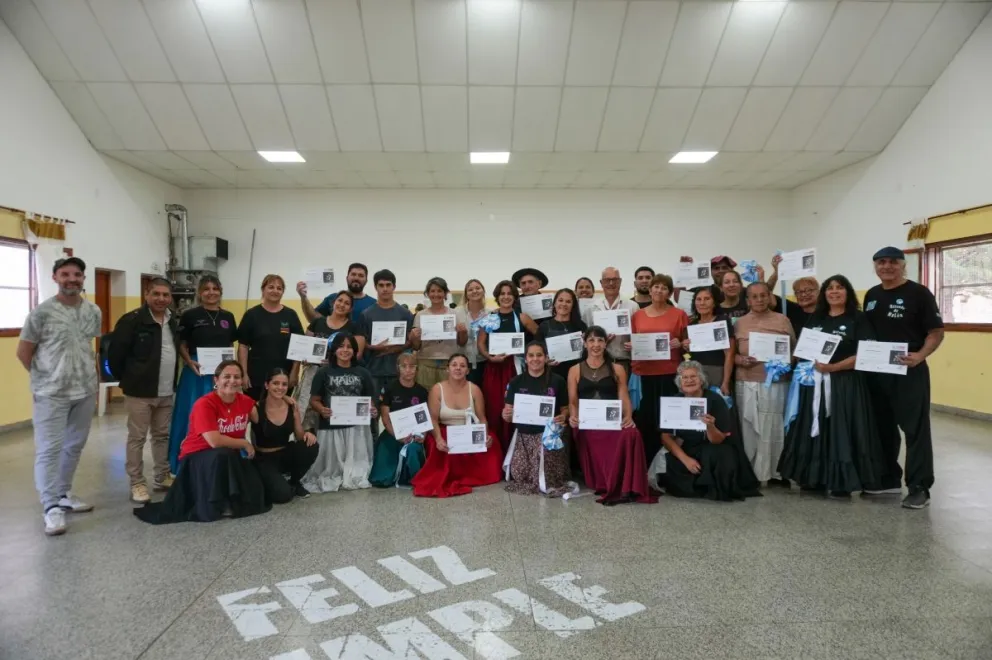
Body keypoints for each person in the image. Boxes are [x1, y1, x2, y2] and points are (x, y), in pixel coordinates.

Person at [16, 257, 102, 536]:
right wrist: (47, 378)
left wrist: (94, 382)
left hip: (84, 390)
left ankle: (63, 494)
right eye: (65, 274)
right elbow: (24, 352)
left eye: (77, 274)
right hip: (51, 394)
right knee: (49, 449)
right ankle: (50, 506)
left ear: (82, 279)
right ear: (55, 278)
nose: (72, 279)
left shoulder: (93, 311)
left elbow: (91, 348)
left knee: (74, 445)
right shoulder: (41, 313)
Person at [778, 276, 884, 498]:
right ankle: (813, 477)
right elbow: (803, 349)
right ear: (824, 293)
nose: (834, 292)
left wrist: (834, 367)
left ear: (848, 292)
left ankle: (841, 481)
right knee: (815, 428)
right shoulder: (816, 318)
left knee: (840, 430)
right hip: (813, 382)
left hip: (845, 384)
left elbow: (866, 353)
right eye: (830, 288)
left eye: (840, 288)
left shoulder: (858, 318)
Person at [133, 360, 269, 523]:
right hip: (197, 457)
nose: (232, 381)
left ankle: (229, 500)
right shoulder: (204, 404)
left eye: (237, 377)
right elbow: (214, 441)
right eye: (227, 376)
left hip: (226, 456)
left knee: (253, 479)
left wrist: (284, 401)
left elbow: (262, 415)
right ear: (216, 380)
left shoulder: (245, 401)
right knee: (222, 454)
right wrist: (245, 444)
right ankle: (216, 503)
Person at [863, 246, 944, 509]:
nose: (886, 266)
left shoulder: (919, 294)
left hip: (909, 370)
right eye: (881, 262)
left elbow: (936, 332)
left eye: (893, 262)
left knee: (915, 429)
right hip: (878, 371)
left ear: (902, 265)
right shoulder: (872, 295)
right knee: (882, 427)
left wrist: (920, 356)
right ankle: (888, 478)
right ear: (875, 266)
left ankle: (920, 487)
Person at [108, 277, 180, 504]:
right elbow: (115, 356)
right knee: (137, 437)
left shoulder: (172, 321)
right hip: (140, 392)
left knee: (161, 436)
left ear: (170, 298)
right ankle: (137, 483)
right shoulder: (132, 321)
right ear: (146, 295)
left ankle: (162, 476)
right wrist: (130, 380)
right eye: (156, 294)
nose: (161, 299)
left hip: (166, 390)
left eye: (165, 295)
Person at [568, 326, 656, 505]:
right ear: (585, 344)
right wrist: (573, 417)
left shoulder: (618, 368)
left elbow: (624, 395)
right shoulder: (575, 370)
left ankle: (627, 484)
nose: (596, 344)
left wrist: (629, 417)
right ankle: (605, 481)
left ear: (605, 343)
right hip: (588, 423)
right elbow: (573, 400)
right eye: (591, 340)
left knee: (632, 433)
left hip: (611, 421)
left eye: (600, 340)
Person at [168, 276, 238, 475]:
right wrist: (188, 361)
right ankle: (183, 461)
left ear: (220, 291)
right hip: (196, 372)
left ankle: (221, 460)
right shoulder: (190, 315)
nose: (211, 292)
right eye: (206, 289)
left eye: (215, 288)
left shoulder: (228, 317)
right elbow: (182, 344)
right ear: (199, 292)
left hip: (222, 375)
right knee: (191, 414)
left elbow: (230, 346)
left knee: (223, 416)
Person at [661, 361, 760, 501]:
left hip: (712, 446)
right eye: (685, 378)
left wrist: (710, 426)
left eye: (693, 377)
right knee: (672, 464)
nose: (689, 380)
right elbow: (665, 437)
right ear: (679, 382)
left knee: (720, 454)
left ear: (701, 380)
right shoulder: (674, 402)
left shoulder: (715, 400)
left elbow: (718, 440)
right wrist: (686, 460)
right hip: (687, 448)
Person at [411, 354, 503, 497]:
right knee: (439, 444)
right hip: (445, 430)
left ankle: (474, 475)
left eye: (462, 365)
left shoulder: (475, 389)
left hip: (469, 430)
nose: (458, 368)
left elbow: (482, 418)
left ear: (467, 370)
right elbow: (433, 419)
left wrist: (484, 435)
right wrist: (438, 438)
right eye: (454, 365)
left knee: (493, 440)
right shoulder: (437, 389)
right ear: (447, 369)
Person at [733, 282, 796, 486]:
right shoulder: (739, 323)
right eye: (754, 296)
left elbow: (794, 352)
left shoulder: (783, 320)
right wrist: (740, 360)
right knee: (749, 426)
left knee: (773, 425)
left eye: (763, 295)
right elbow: (729, 354)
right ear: (748, 300)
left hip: (776, 382)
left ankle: (775, 471)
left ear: (770, 297)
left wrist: (783, 362)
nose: (759, 300)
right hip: (746, 381)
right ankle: (750, 470)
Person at [302, 333, 378, 492]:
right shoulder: (323, 372)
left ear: (355, 351)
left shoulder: (363, 373)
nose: (345, 350)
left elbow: (369, 398)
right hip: (331, 426)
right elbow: (314, 400)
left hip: (356, 428)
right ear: (334, 349)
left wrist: (372, 409)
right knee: (330, 469)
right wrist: (322, 409)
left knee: (357, 468)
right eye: (341, 346)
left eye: (349, 347)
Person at [631, 274, 689, 463]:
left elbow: (688, 346)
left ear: (669, 293)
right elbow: (632, 340)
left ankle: (666, 465)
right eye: (656, 286)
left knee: (667, 420)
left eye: (664, 288)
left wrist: (680, 344)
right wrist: (632, 346)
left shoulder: (679, 314)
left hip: (669, 374)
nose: (659, 290)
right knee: (645, 421)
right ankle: (644, 463)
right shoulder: (637, 315)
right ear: (650, 289)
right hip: (644, 375)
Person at [502, 342, 572, 497]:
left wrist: (563, 416)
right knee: (520, 473)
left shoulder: (558, 381)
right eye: (531, 355)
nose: (535, 359)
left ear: (546, 358)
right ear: (525, 359)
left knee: (544, 476)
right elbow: (507, 411)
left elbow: (565, 409)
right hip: (523, 436)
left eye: (539, 355)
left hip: (547, 435)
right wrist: (506, 415)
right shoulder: (515, 382)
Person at [292, 289, 363, 432]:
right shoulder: (317, 322)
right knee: (305, 413)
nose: (342, 305)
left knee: (331, 413)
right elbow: (301, 349)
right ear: (333, 302)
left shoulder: (353, 327)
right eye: (340, 300)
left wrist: (333, 362)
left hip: (338, 376)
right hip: (312, 374)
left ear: (350, 308)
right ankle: (305, 442)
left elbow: (357, 355)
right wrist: (295, 372)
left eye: (347, 303)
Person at [477, 280, 536, 452]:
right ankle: (497, 453)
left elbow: (539, 336)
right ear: (497, 296)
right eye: (502, 293)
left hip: (515, 368)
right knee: (495, 407)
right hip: (494, 368)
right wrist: (489, 357)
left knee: (516, 408)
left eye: (509, 293)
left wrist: (527, 352)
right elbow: (480, 344)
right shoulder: (489, 318)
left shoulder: (522, 317)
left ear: (515, 296)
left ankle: (517, 452)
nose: (506, 296)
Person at [250, 368, 320, 502]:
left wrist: (308, 434)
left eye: (284, 384)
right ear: (267, 385)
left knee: (310, 445)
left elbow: (299, 436)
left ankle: (294, 481)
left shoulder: (292, 406)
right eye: (275, 383)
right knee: (283, 496)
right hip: (265, 458)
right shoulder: (256, 408)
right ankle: (277, 483)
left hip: (285, 452)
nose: (280, 388)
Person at [238, 274, 304, 400]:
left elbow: (299, 346)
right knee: (257, 414)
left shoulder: (290, 315)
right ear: (263, 289)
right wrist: (243, 373)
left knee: (280, 414)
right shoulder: (251, 315)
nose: (275, 291)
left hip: (283, 377)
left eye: (279, 288)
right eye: (271, 287)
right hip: (256, 376)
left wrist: (295, 372)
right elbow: (243, 346)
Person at [369, 354, 429, 487]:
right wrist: (398, 436)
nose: (408, 370)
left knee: (413, 449)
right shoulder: (390, 389)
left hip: (415, 435)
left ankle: (413, 477)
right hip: (393, 433)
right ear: (398, 368)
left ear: (417, 369)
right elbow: (385, 418)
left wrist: (423, 436)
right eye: (404, 366)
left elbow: (425, 419)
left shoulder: (422, 391)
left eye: (412, 366)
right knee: (382, 480)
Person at [360, 269, 414, 399]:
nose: (385, 289)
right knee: (372, 413)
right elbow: (362, 343)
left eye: (388, 285)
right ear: (375, 287)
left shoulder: (405, 314)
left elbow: (411, 342)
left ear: (394, 287)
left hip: (398, 372)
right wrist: (375, 348)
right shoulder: (366, 314)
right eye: (381, 285)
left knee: (398, 413)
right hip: (373, 371)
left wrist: (396, 348)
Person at [410, 277, 469, 389]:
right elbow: (416, 346)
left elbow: (462, 343)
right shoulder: (420, 315)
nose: (436, 294)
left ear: (445, 293)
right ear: (427, 293)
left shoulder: (454, 314)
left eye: (439, 291)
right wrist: (414, 337)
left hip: (449, 363)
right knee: (426, 397)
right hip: (425, 362)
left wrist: (463, 332)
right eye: (432, 291)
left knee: (448, 396)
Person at [581, 267, 639, 374]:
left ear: (620, 281)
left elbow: (638, 334)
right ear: (601, 283)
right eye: (607, 280)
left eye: (615, 280)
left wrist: (635, 343)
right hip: (597, 363)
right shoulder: (591, 308)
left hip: (623, 362)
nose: (611, 283)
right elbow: (586, 335)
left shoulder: (633, 307)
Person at [683, 285, 735, 394]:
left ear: (714, 302)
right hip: (696, 374)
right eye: (699, 299)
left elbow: (729, 354)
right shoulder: (692, 325)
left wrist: (725, 382)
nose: (702, 303)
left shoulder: (722, 321)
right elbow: (687, 357)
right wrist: (686, 349)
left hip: (718, 372)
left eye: (707, 299)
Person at [534, 288, 587, 380]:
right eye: (560, 300)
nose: (563, 304)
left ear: (573, 305)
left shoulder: (581, 326)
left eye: (568, 301)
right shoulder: (544, 326)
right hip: (551, 375)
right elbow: (536, 351)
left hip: (576, 374)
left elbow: (587, 353)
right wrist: (544, 360)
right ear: (554, 303)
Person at [298, 262, 377, 324]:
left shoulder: (374, 304)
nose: (356, 278)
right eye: (353, 274)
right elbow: (313, 319)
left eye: (361, 275)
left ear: (366, 281)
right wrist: (303, 297)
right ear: (347, 278)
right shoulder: (332, 298)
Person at [767, 257, 819, 337]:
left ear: (818, 291)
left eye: (808, 290)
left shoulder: (827, 311)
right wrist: (777, 272)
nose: (803, 295)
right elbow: (766, 292)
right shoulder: (790, 309)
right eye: (798, 292)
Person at [461, 279, 491, 386]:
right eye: (470, 289)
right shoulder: (457, 313)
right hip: (463, 363)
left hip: (486, 362)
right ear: (466, 294)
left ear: (483, 291)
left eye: (478, 288)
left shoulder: (490, 314)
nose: (474, 291)